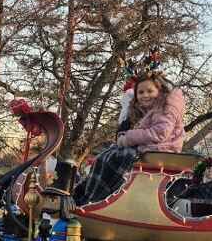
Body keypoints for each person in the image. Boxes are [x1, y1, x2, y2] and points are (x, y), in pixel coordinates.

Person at [73, 61, 186, 206]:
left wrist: (129, 138)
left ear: (160, 91)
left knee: (121, 156)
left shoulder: (165, 108)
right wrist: (125, 138)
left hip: (163, 149)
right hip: (153, 147)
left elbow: (160, 133)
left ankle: (98, 198)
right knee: (105, 155)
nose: (145, 95)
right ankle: (86, 193)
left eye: (150, 91)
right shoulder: (149, 111)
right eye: (141, 92)